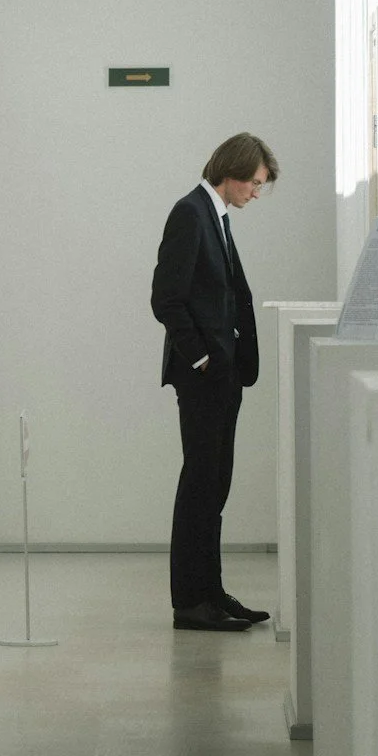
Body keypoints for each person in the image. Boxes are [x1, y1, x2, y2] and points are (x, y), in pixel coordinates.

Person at [150, 132, 279, 631]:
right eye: (256, 183)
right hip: (204, 377)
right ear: (234, 171)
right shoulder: (190, 213)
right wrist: (203, 359)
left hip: (224, 377)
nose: (256, 193)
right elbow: (167, 299)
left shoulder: (215, 215)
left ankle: (211, 591)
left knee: (215, 486)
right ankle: (190, 603)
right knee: (200, 484)